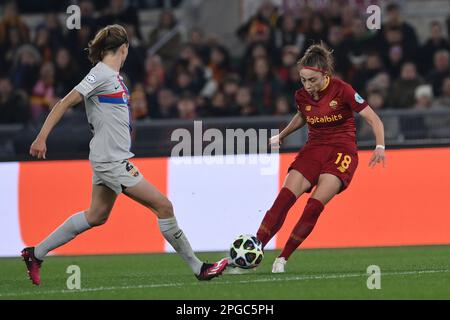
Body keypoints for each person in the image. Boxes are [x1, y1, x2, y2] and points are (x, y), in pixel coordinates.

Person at [22, 25, 227, 285]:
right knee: (164, 206)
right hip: (111, 161)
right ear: (124, 48)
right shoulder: (100, 75)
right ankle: (200, 268)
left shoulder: (114, 77)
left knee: (96, 215)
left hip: (109, 157)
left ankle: (35, 253)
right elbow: (64, 102)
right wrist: (42, 137)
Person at [255, 43, 386, 273]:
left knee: (313, 207)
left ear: (325, 75)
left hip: (341, 152)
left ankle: (283, 258)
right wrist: (282, 135)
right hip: (313, 149)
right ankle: (254, 250)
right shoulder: (302, 95)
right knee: (284, 199)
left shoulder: (342, 89)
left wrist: (380, 145)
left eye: (312, 80)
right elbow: (302, 115)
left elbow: (373, 118)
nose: (307, 85)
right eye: (303, 80)